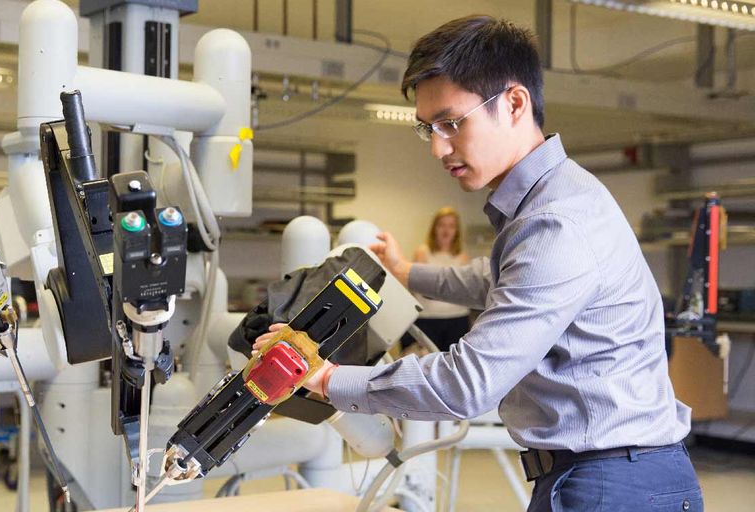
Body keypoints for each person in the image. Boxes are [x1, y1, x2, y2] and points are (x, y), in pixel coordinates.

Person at [255, 15, 702, 512]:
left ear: (514, 103)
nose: (437, 147)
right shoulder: (546, 203)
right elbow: (489, 280)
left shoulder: (556, 221)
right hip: (605, 476)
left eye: (451, 123)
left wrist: (321, 379)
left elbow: (470, 383)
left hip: (614, 486)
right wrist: (405, 271)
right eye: (428, 128)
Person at [409, 207, 470, 352]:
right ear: (434, 228)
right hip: (427, 319)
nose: (446, 230)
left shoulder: (463, 257)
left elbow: (466, 291)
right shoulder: (422, 252)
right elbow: (415, 287)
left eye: (451, 226)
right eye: (442, 225)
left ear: (457, 231)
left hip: (457, 319)